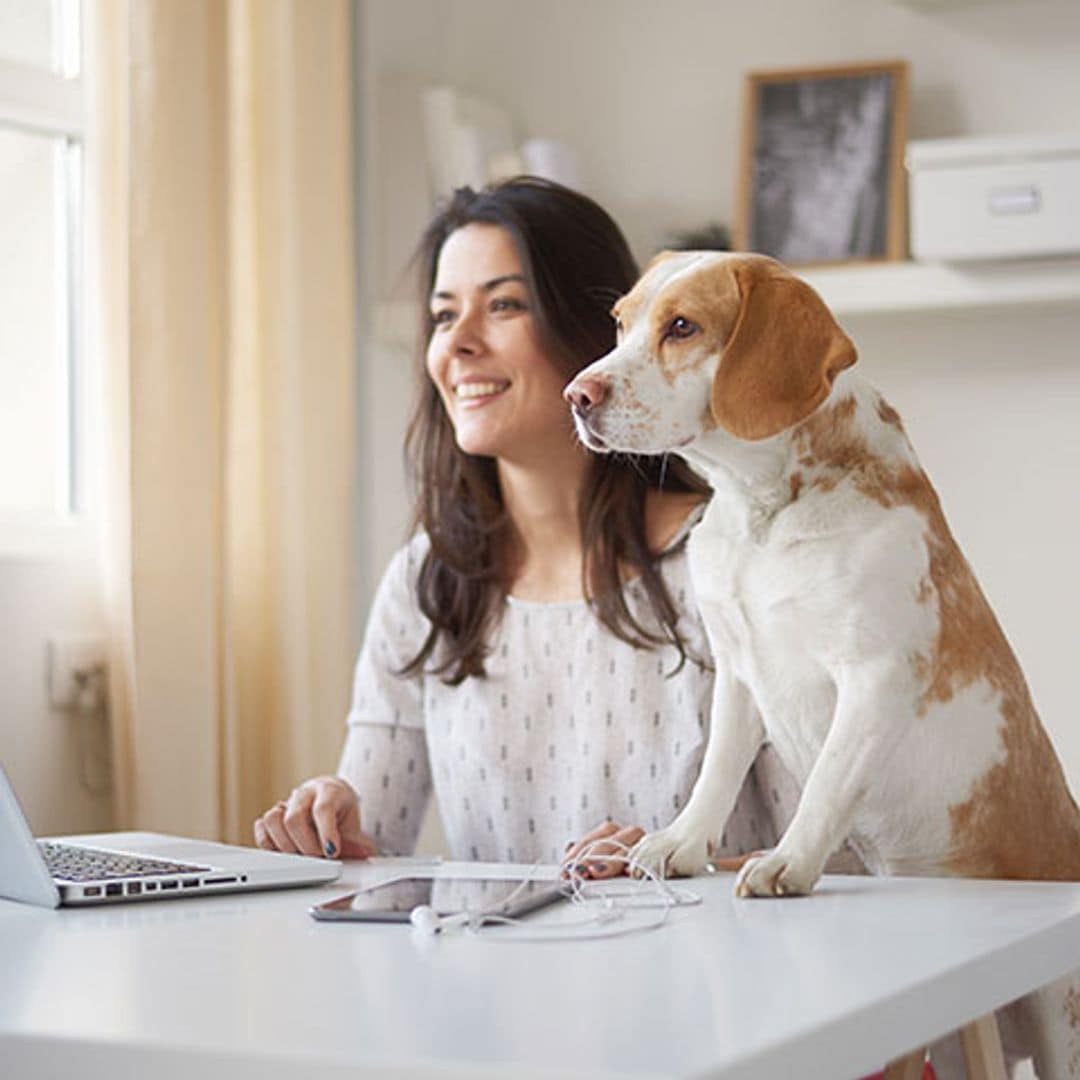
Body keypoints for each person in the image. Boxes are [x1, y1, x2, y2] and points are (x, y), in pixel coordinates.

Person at [253, 176, 801, 876]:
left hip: (714, 978)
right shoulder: (427, 580)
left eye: (505, 305)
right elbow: (371, 847)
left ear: (595, 331)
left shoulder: (734, 564)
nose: (460, 345)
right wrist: (329, 822)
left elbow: (835, 862)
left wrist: (668, 860)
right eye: (444, 315)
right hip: (493, 982)